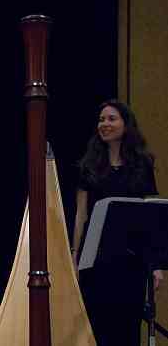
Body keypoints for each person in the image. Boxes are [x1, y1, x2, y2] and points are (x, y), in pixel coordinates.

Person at [71, 99, 164, 346]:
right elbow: (81, 215)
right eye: (102, 119)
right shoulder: (88, 166)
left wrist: (155, 264)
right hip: (96, 261)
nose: (105, 124)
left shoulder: (142, 164)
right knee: (98, 329)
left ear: (126, 125)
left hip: (132, 261)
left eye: (112, 119)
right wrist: (75, 257)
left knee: (128, 331)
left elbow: (149, 219)